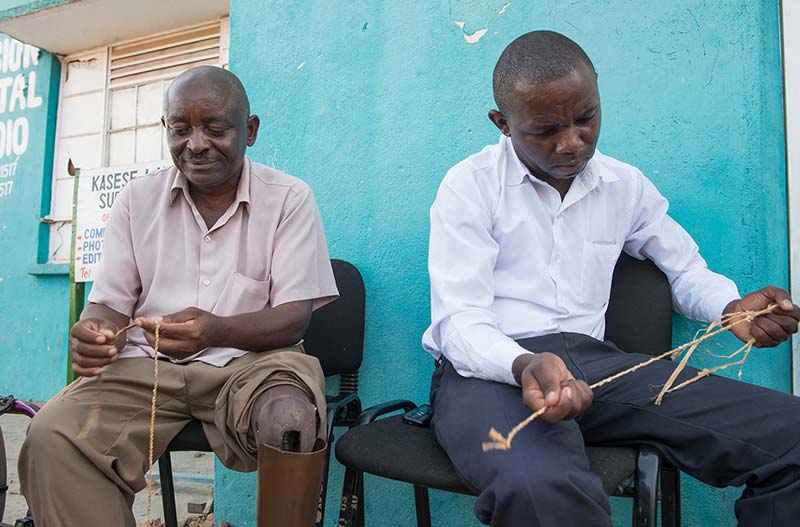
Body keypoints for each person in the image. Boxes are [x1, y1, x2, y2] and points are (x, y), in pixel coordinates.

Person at [422, 30, 800, 527]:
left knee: (791, 435)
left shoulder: (625, 186)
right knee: (539, 488)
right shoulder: (469, 186)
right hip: (490, 373)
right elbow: (460, 321)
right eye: (545, 129)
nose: (572, 142)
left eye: (585, 118)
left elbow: (684, 270)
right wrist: (524, 363)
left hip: (596, 370)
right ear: (503, 124)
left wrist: (729, 309)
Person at [19, 66, 338, 526]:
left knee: (290, 420)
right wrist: (95, 330)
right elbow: (108, 304)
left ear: (250, 131)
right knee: (53, 434)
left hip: (253, 364)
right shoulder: (136, 200)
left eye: (215, 128)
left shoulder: (290, 198)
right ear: (165, 129)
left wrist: (219, 329)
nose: (196, 144)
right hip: (145, 369)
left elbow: (293, 318)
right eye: (180, 128)